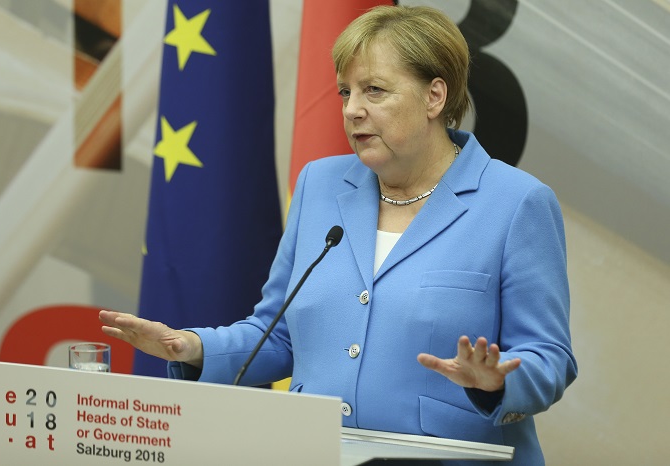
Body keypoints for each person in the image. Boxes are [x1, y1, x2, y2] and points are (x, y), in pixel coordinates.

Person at [100, 5, 577, 465]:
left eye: (374, 91)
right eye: (345, 92)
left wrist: (497, 382)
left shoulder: (516, 203)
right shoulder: (320, 185)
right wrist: (192, 347)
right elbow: (278, 334)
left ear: (434, 96)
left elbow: (550, 357)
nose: (352, 110)